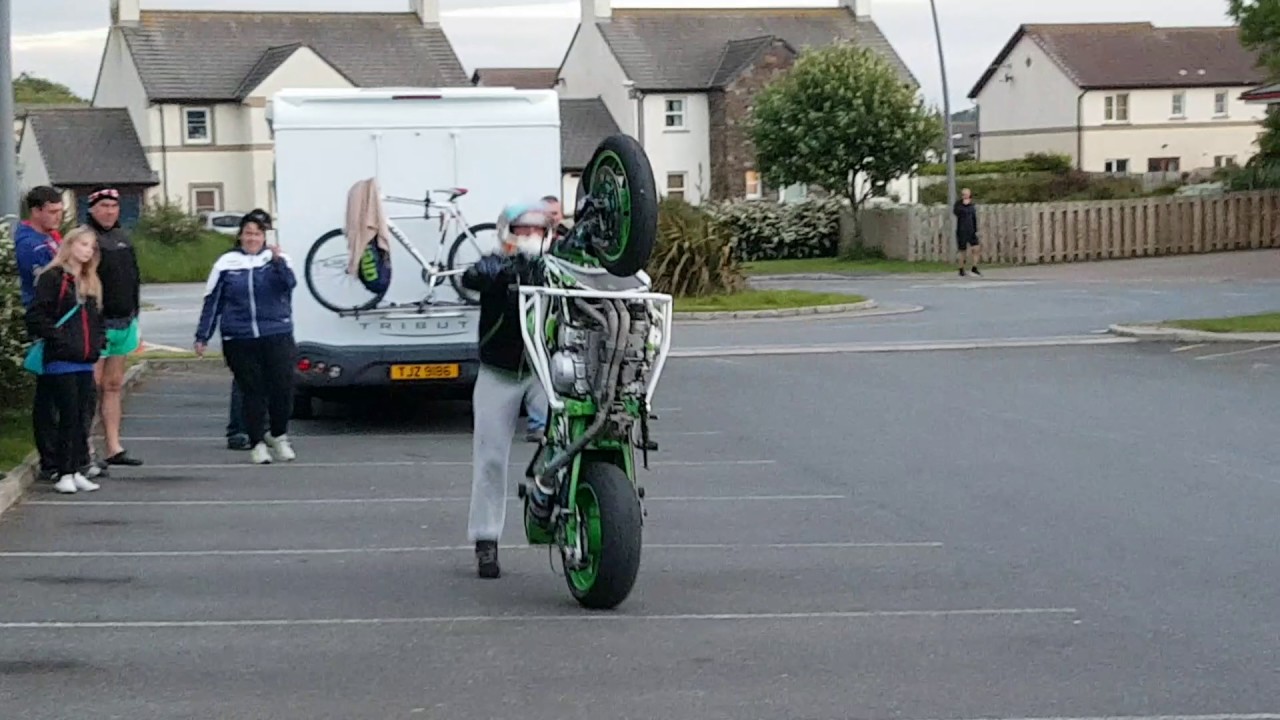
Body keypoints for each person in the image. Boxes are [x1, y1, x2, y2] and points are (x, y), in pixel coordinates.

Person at [462, 201, 558, 579]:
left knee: (567, 438)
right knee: (490, 457)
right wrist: (490, 271)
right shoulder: (494, 265)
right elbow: (471, 278)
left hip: (543, 372)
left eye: (536, 231)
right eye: (522, 230)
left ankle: (548, 501)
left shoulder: (556, 267)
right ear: (507, 233)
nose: (529, 237)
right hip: (498, 372)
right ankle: (486, 539)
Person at [194, 209, 299, 465]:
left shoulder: (278, 259)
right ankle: (257, 443)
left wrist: (277, 262)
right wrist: (203, 335)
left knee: (281, 387)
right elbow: (213, 301)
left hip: (276, 332)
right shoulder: (226, 263)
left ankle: (278, 434)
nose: (252, 238)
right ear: (240, 236)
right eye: (248, 233)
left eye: (257, 234)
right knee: (252, 390)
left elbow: (289, 284)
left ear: (265, 237)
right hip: (238, 336)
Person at [25, 226, 107, 494]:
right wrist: (60, 339)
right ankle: (64, 471)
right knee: (68, 414)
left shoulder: (89, 280)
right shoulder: (53, 278)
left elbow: (95, 320)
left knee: (82, 414)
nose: (87, 251)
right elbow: (37, 316)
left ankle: (74, 468)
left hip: (84, 358)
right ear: (70, 245)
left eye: (91, 247)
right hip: (61, 359)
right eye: (83, 245)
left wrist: (97, 345)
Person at [87, 187, 145, 467]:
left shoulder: (123, 238)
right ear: (92, 210)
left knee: (112, 385)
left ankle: (113, 446)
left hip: (124, 320)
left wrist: (136, 315)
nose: (109, 211)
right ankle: (85, 446)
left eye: (113, 206)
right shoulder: (88, 239)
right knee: (91, 385)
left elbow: (134, 279)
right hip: (97, 322)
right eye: (104, 206)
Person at [15, 186, 67, 483]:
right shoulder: (30, 243)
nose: (58, 217)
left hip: (62, 317)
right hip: (45, 317)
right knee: (49, 393)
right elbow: (48, 277)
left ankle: (65, 453)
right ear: (36, 211)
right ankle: (50, 459)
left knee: (63, 392)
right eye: (52, 212)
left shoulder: (50, 237)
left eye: (60, 211)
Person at [953, 187, 981, 277]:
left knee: (976, 248)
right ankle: (961, 269)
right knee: (962, 251)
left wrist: (976, 229)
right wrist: (964, 205)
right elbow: (956, 212)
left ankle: (974, 267)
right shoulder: (958, 204)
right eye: (963, 194)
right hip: (962, 230)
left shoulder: (972, 205)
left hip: (971, 230)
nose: (964, 196)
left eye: (966, 194)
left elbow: (974, 218)